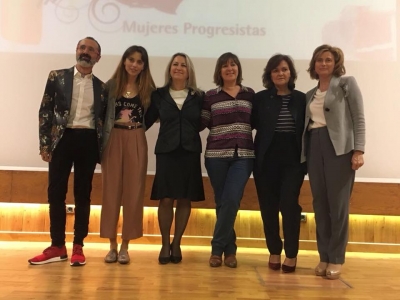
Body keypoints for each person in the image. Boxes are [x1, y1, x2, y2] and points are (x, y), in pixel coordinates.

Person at [29, 37, 107, 266]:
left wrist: (102, 151)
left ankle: (78, 246)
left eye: (91, 50)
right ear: (76, 50)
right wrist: (45, 144)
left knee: (83, 194)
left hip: (88, 141)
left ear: (98, 57)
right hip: (61, 140)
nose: (86, 52)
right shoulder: (57, 77)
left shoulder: (102, 87)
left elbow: (103, 121)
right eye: (83, 47)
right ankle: (57, 245)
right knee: (55, 193)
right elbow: (45, 111)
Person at [301, 44, 365, 279]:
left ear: (336, 63)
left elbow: (358, 118)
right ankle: (324, 256)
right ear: (313, 64)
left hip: (339, 149)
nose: (323, 64)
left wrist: (359, 150)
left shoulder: (347, 84)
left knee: (338, 206)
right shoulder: (309, 94)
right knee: (320, 204)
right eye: (319, 60)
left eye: (328, 60)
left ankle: (336, 258)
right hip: (314, 146)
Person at [145, 53, 205, 264]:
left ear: (189, 71)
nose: (179, 67)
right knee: (166, 198)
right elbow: (146, 120)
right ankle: (164, 243)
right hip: (166, 152)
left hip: (189, 151)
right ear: (170, 69)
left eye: (183, 65)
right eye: (175, 64)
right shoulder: (158, 95)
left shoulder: (199, 96)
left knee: (185, 198)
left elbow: (203, 121)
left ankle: (177, 242)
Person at [100, 46, 155, 264]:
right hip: (113, 138)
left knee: (134, 192)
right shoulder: (110, 86)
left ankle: (125, 246)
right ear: (124, 61)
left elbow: (151, 117)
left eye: (139, 61)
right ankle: (111, 246)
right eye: (131, 59)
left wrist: (138, 129)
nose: (134, 64)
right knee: (111, 191)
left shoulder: (149, 90)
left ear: (144, 66)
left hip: (136, 139)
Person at [252, 54, 306, 273]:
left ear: (291, 73)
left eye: (284, 69)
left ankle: (291, 254)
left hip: (293, 160)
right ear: (269, 74)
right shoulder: (261, 98)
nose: (280, 73)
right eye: (275, 70)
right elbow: (251, 124)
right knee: (268, 207)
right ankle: (274, 250)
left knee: (289, 205)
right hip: (266, 159)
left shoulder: (302, 99)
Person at [201, 52, 255, 268]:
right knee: (222, 202)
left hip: (243, 156)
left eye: (233, 65)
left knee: (231, 200)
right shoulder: (210, 96)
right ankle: (230, 251)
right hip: (216, 156)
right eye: (225, 65)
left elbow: (260, 121)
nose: (230, 68)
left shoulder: (250, 94)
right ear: (219, 71)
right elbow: (201, 122)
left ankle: (216, 248)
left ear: (238, 68)